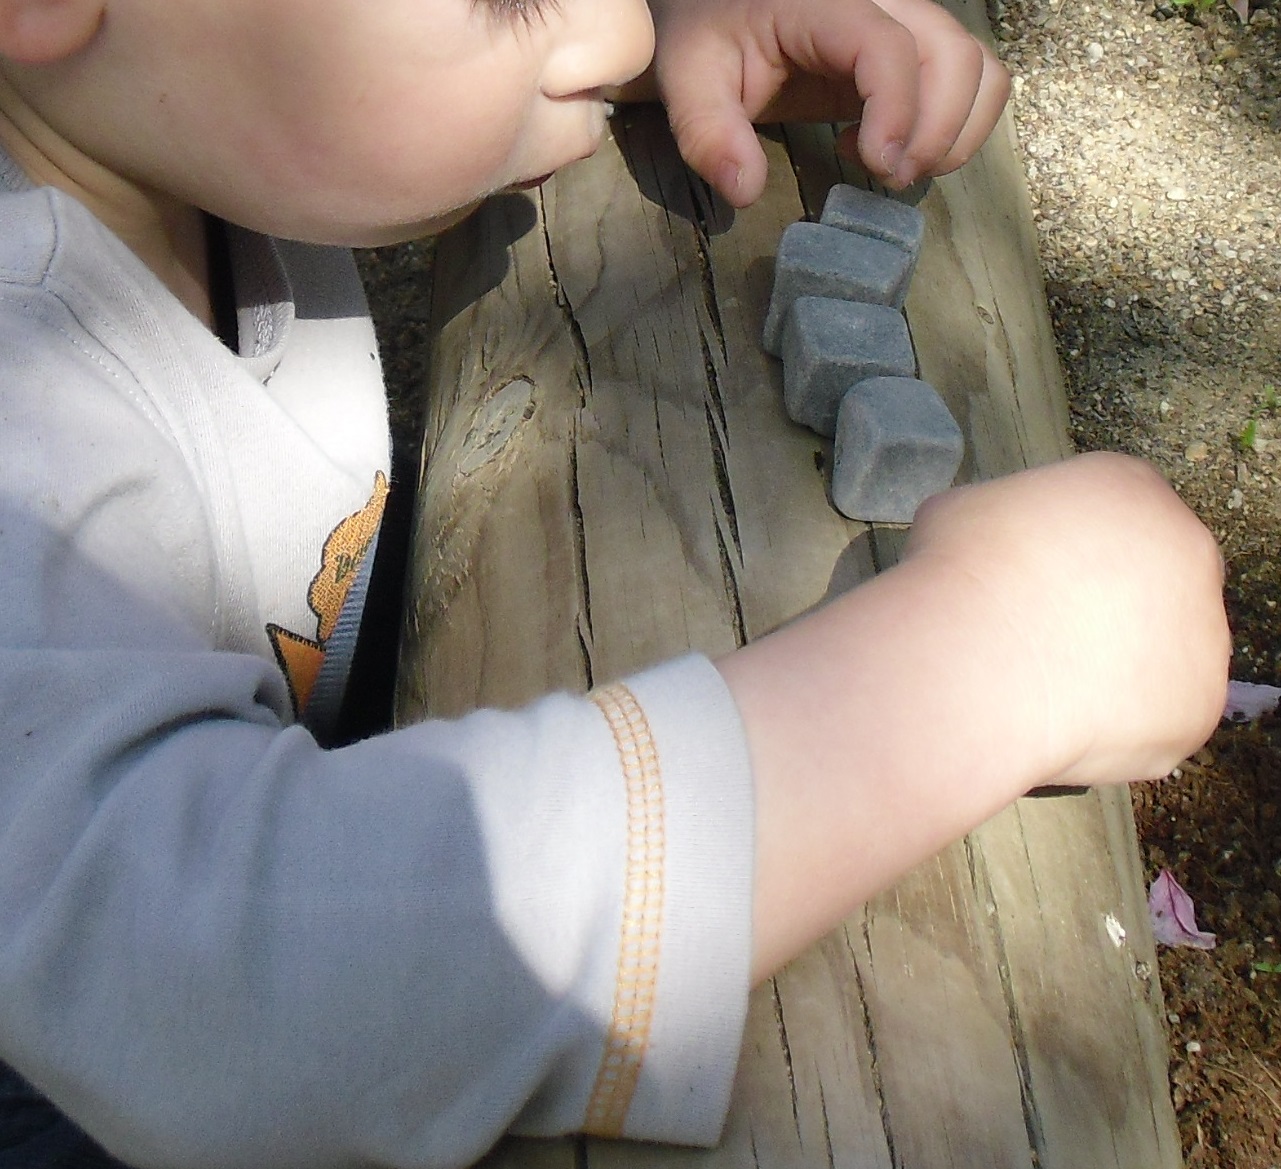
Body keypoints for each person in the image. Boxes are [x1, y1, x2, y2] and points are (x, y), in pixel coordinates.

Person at [0, 0, 1229, 1166]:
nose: (616, 22)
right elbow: (223, 999)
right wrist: (978, 670)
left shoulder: (144, 118)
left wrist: (681, 42)